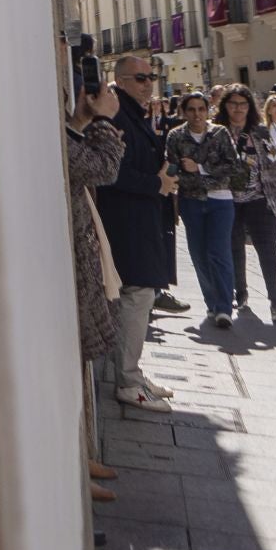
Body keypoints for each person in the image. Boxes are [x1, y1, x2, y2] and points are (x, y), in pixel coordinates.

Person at [94, 56, 180, 413]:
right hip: (126, 220)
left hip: (141, 217)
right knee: (137, 295)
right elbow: (111, 172)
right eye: (141, 78)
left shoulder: (135, 112)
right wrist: (155, 184)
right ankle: (127, 381)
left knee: (140, 296)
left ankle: (133, 372)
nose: (149, 83)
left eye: (152, 77)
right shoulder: (117, 114)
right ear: (122, 81)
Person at [66, 80, 124, 501]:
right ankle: (68, 471)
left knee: (74, 370)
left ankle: (78, 457)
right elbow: (103, 168)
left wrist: (82, 120)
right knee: (62, 372)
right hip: (62, 260)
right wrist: (102, 120)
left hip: (76, 252)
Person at [217, 87, 276, 324]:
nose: (238, 109)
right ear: (225, 106)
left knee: (268, 252)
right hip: (228, 200)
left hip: (261, 199)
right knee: (234, 249)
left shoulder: (261, 133)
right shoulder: (217, 133)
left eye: (243, 104)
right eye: (233, 104)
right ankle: (240, 293)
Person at [165, 91, 240, 329]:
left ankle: (224, 306)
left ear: (208, 111)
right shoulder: (176, 136)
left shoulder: (220, 133)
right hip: (191, 200)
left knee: (219, 252)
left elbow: (233, 166)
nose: (197, 114)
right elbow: (172, 167)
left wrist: (200, 168)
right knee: (198, 254)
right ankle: (212, 301)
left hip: (220, 199)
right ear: (184, 112)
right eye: (191, 109)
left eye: (201, 109)